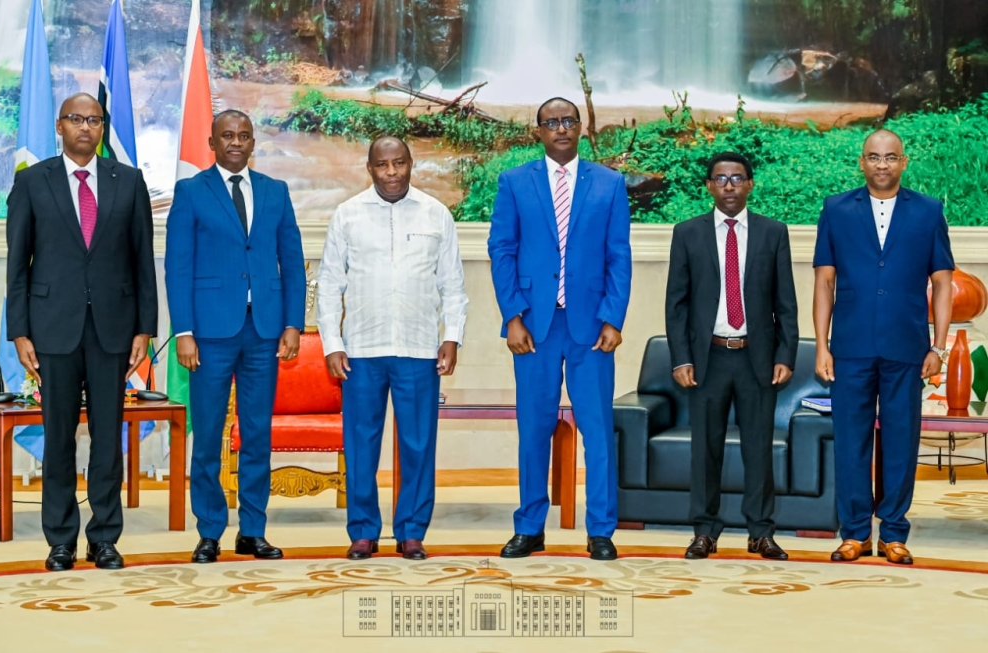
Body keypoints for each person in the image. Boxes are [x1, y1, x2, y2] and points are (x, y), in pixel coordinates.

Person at [6, 93, 157, 571]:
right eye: (76, 119)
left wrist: (145, 328)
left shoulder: (128, 182)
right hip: (52, 330)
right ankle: (61, 539)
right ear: (59, 125)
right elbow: (18, 265)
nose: (86, 128)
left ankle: (105, 537)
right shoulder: (32, 182)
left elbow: (142, 261)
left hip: (113, 330)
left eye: (94, 120)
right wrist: (20, 331)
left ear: (103, 126)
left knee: (108, 441)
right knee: (59, 439)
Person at [488, 97, 631, 561]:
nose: (561, 128)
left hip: (590, 326)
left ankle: (601, 530)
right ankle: (530, 527)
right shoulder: (514, 182)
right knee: (534, 428)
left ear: (581, 126)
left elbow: (618, 255)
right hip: (534, 325)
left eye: (569, 120)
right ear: (538, 131)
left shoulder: (609, 184)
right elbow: (502, 249)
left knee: (597, 428)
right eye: (552, 122)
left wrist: (613, 317)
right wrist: (512, 317)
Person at [318, 136, 468, 561]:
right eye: (382, 165)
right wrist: (332, 343)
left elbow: (453, 285)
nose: (391, 173)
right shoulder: (347, 215)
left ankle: (412, 531)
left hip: (419, 349)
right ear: (369, 168)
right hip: (361, 349)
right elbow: (330, 285)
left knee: (419, 444)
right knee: (361, 442)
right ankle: (363, 530)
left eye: (399, 163)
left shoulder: (436, 214)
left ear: (410, 164)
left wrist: (451, 337)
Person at [165, 110, 306, 564]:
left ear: (252, 143)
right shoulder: (190, 192)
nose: (236, 143)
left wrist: (292, 324)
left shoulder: (275, 192)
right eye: (227, 135)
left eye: (244, 136)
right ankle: (209, 531)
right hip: (209, 334)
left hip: (264, 331)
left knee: (257, 434)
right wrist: (183, 331)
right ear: (212, 141)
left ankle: (253, 530)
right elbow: (177, 266)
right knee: (207, 434)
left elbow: (292, 261)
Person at [814, 129, 953, 565]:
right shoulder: (836, 209)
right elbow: (824, 281)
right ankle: (854, 533)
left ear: (903, 162)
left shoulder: (929, 211)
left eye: (890, 157)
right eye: (873, 157)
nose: (882, 164)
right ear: (862, 161)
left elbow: (943, 283)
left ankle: (894, 533)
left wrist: (939, 345)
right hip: (850, 347)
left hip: (906, 345)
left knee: (900, 440)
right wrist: (822, 345)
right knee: (851, 442)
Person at [665, 152, 798, 560]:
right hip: (708, 358)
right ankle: (705, 531)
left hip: (756, 357)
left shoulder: (773, 233)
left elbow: (786, 301)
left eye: (737, 179)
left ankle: (761, 532)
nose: (729, 186)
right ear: (708, 186)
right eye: (720, 179)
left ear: (750, 185)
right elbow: (677, 304)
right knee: (706, 448)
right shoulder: (688, 233)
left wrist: (786, 354)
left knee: (758, 447)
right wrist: (681, 358)